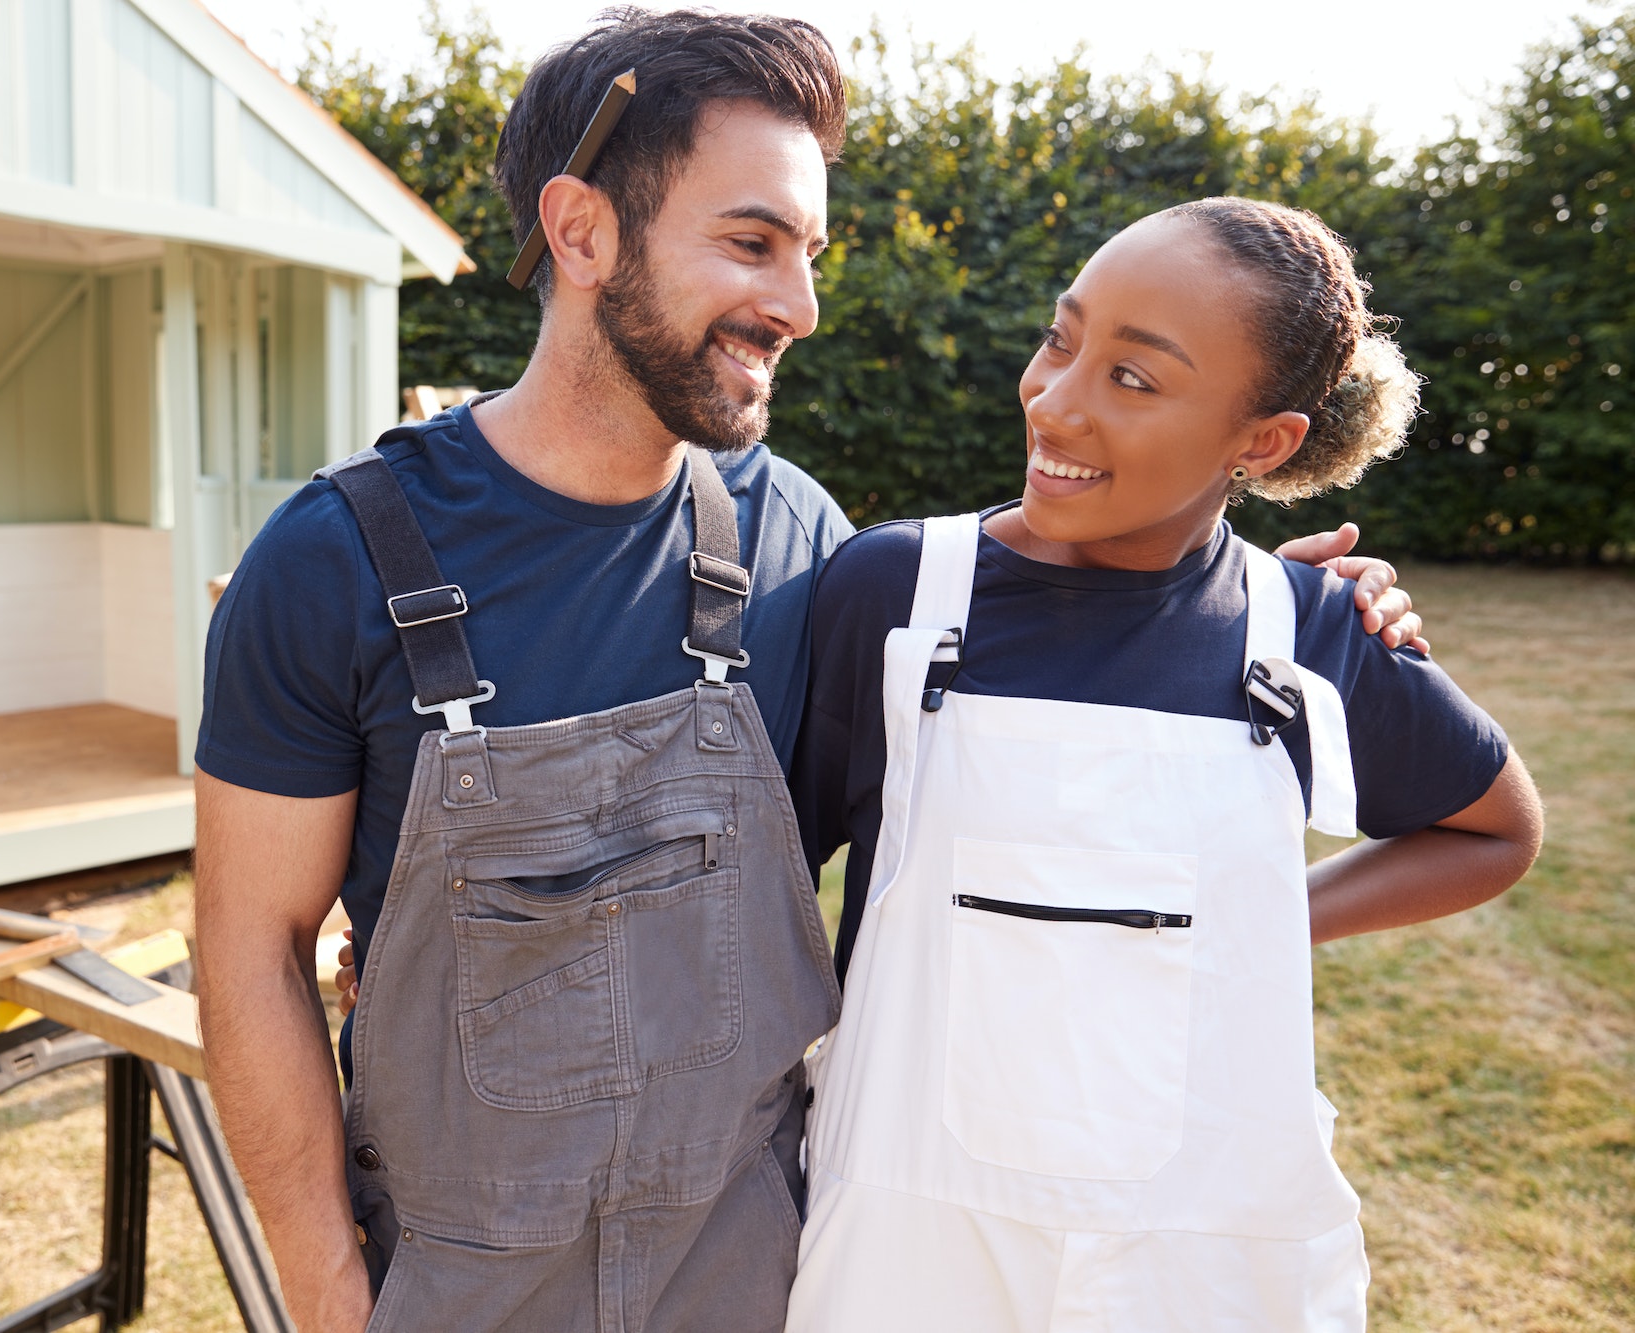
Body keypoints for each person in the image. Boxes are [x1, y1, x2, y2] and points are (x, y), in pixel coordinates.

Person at [193, 10, 1422, 1329]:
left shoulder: (796, 545)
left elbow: (1000, 787)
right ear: (583, 230)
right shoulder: (334, 562)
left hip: (762, 1279)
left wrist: (1232, 598)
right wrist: (328, 1292)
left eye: (810, 252)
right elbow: (249, 946)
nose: (799, 304)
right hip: (455, 1287)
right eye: (751, 242)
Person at [786, 197, 1544, 1331]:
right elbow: (753, 894)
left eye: (1132, 380)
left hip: (1198, 1277)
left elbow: (1495, 831)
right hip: (903, 1257)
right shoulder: (895, 596)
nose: (1055, 398)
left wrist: (1261, 915)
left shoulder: (1313, 634)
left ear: (1263, 441)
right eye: (1060, 339)